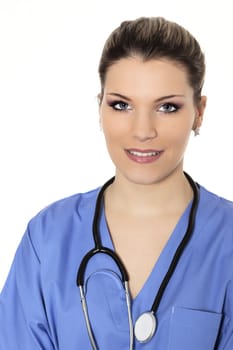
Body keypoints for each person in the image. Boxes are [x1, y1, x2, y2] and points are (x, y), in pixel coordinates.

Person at [0, 16, 233, 350]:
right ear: (100, 108)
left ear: (199, 111)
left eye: (167, 107)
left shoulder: (227, 241)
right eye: (121, 105)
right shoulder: (48, 238)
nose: (142, 130)